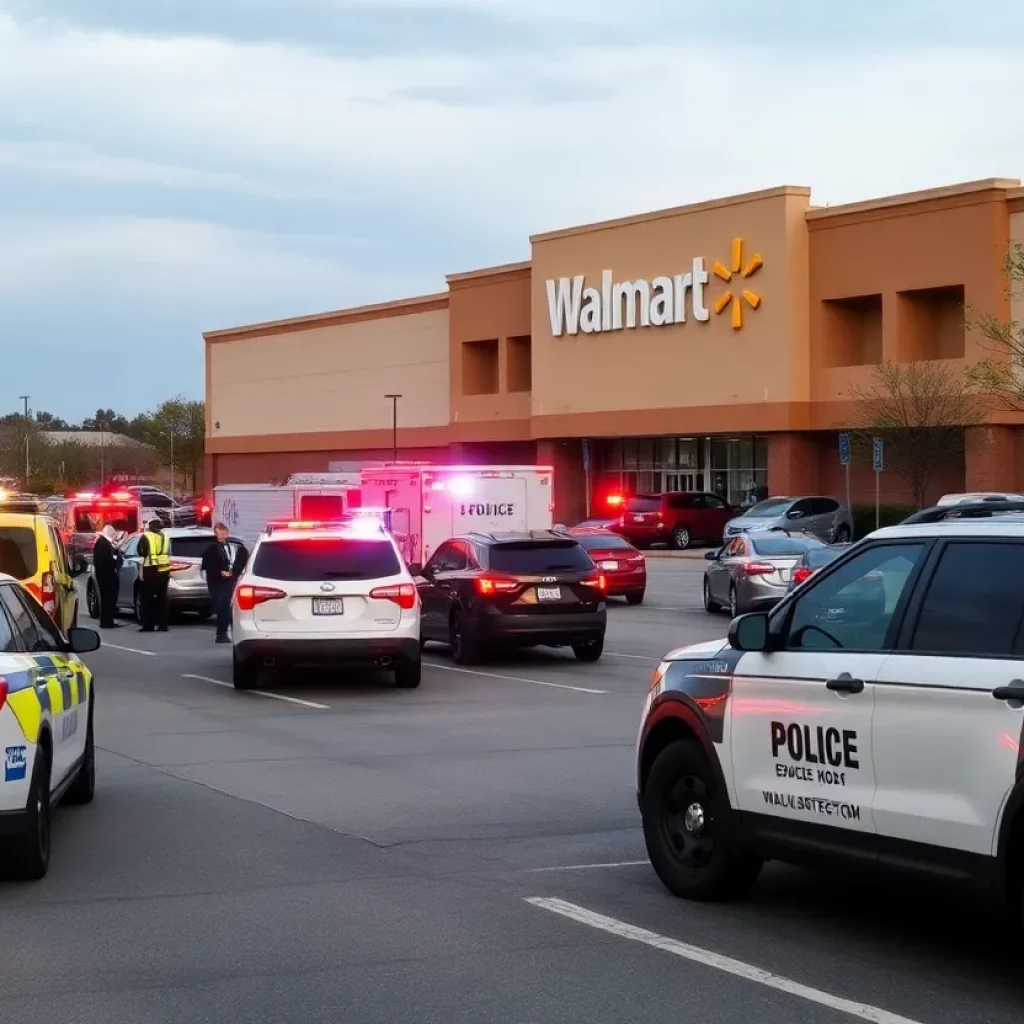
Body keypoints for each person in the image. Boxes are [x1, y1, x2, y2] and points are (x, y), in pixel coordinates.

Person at [201, 523, 249, 644]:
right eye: (218, 533)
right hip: (217, 582)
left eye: (223, 533)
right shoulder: (211, 549)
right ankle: (221, 634)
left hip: (232, 581)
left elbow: (243, 562)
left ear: (227, 533)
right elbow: (207, 565)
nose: (221, 536)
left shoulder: (236, 548)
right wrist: (220, 572)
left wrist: (233, 574)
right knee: (221, 607)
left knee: (227, 607)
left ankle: (225, 632)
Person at [136, 518, 171, 633]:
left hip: (150, 569)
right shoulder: (166, 537)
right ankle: (163, 625)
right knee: (162, 598)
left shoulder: (146, 536)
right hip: (164, 569)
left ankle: (148, 625)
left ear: (150, 526)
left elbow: (141, 553)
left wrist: (141, 571)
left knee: (147, 598)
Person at [92, 524, 123, 629]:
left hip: (105, 575)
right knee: (108, 599)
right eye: (113, 534)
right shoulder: (103, 543)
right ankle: (107, 622)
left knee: (108, 599)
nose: (114, 536)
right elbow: (106, 560)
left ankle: (108, 621)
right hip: (107, 576)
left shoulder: (104, 543)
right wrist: (115, 560)